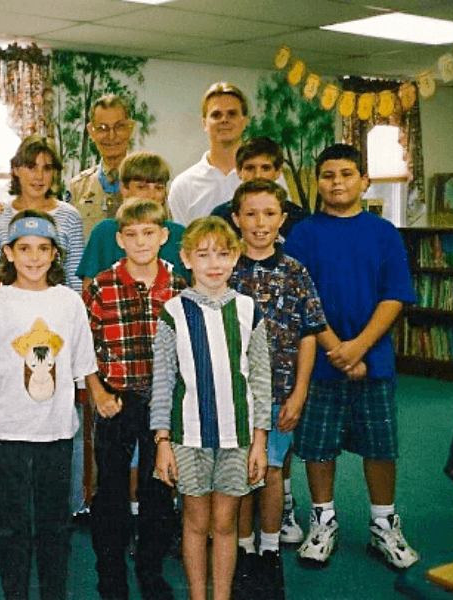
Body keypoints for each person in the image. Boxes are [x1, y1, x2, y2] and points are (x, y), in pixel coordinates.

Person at [284, 143, 419, 571]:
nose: (337, 181)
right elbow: (301, 299)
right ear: (317, 181)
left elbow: (395, 295)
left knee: (380, 446)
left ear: (364, 180)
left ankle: (384, 523)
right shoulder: (303, 233)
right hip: (320, 363)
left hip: (373, 362)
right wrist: (336, 350)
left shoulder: (384, 233)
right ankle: (323, 521)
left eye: (346, 173)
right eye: (327, 174)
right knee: (319, 448)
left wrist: (358, 347)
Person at [0, 210, 101, 600]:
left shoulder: (69, 301)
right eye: (24, 248)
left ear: (55, 254)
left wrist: (100, 395)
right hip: (7, 433)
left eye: (43, 248)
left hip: (57, 432)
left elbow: (84, 362)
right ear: (8, 252)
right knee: (12, 526)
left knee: (55, 525)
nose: (34, 257)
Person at [151, 216, 271, 600]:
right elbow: (163, 381)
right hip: (188, 437)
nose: (213, 263)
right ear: (186, 258)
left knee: (225, 523)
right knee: (195, 521)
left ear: (235, 257)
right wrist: (162, 441)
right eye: (203, 255)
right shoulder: (173, 313)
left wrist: (260, 442)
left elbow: (261, 380)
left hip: (237, 438)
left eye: (222, 253)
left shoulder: (249, 311)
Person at [227, 179, 327, 600]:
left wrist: (299, 394)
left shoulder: (295, 271)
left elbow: (308, 334)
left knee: (269, 471)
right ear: (236, 219)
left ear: (282, 219)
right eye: (250, 213)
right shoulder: (224, 268)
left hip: (281, 393)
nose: (260, 222)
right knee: (240, 473)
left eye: (269, 213)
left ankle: (269, 549)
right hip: (234, 395)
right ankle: (244, 549)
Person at [83, 198, 185, 600]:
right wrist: (98, 392)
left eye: (149, 233)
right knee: (110, 490)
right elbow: (82, 346)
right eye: (131, 234)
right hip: (116, 399)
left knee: (157, 488)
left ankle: (150, 569)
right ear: (120, 240)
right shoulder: (103, 286)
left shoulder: (179, 287)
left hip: (162, 405)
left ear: (163, 237)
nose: (141, 241)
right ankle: (110, 573)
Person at [0, 135, 84, 294]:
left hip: (57, 309)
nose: (39, 176)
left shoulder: (69, 216)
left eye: (47, 168)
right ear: (16, 169)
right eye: (32, 167)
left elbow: (76, 279)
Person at [76, 151, 189, 289]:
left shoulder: (178, 234)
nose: (151, 195)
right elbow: (88, 290)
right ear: (123, 188)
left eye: (159, 188)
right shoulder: (104, 232)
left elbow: (191, 288)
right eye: (142, 187)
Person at [168, 83, 249, 226]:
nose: (224, 120)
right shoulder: (183, 185)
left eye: (232, 114)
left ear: (244, 122)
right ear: (204, 123)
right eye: (216, 115)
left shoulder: (269, 176)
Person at [210, 137, 308, 242]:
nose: (258, 175)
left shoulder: (298, 219)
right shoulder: (220, 217)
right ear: (239, 171)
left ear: (278, 172)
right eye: (250, 168)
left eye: (265, 168)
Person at [67, 94, 136, 239]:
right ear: (92, 131)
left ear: (131, 129)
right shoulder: (78, 188)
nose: (111, 136)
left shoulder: (150, 183)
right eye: (103, 128)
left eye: (119, 127)